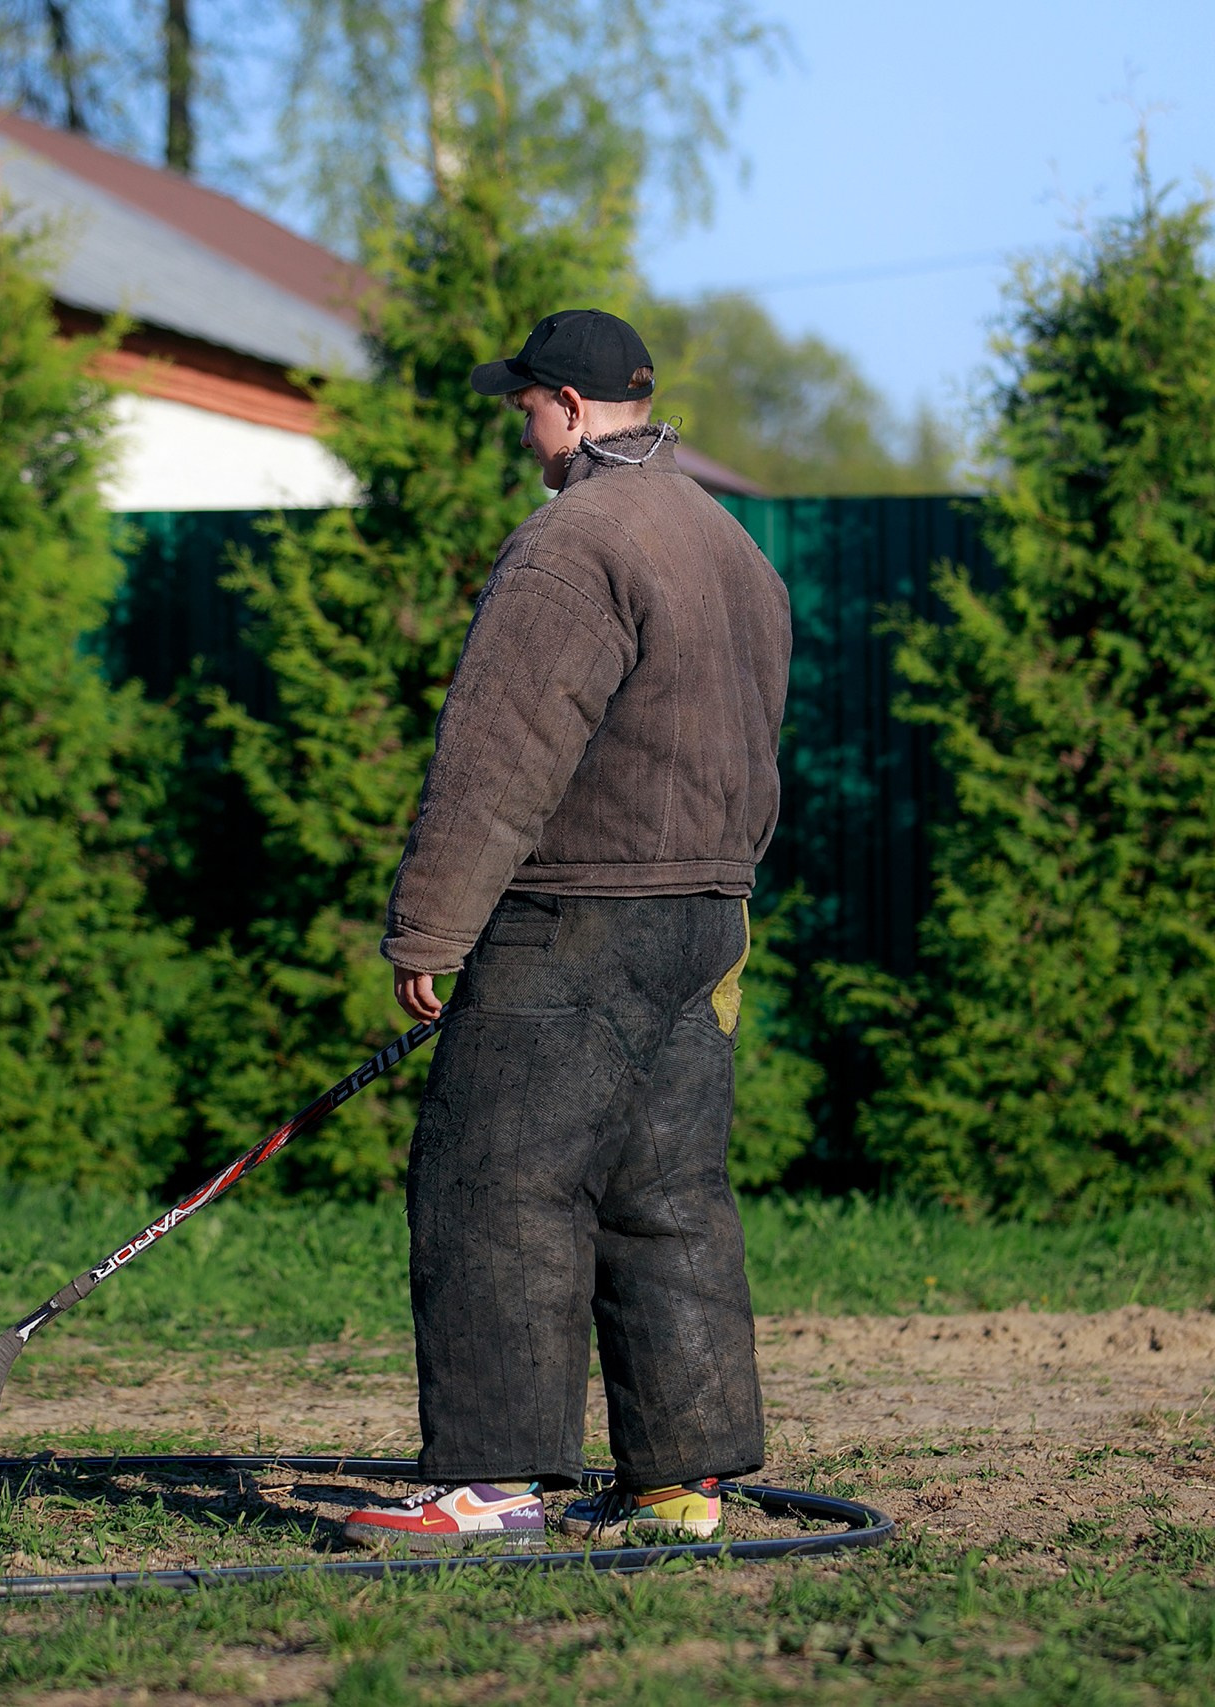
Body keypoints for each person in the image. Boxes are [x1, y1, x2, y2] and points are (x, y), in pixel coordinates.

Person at [338, 309, 792, 1553]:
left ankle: (485, 1485)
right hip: (704, 917)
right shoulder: (729, 543)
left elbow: (497, 759)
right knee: (667, 1194)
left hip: (573, 916)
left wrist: (429, 931)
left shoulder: (571, 542)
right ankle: (678, 1483)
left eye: (528, 403)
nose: (520, 424)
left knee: (496, 1185)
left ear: (577, 409)